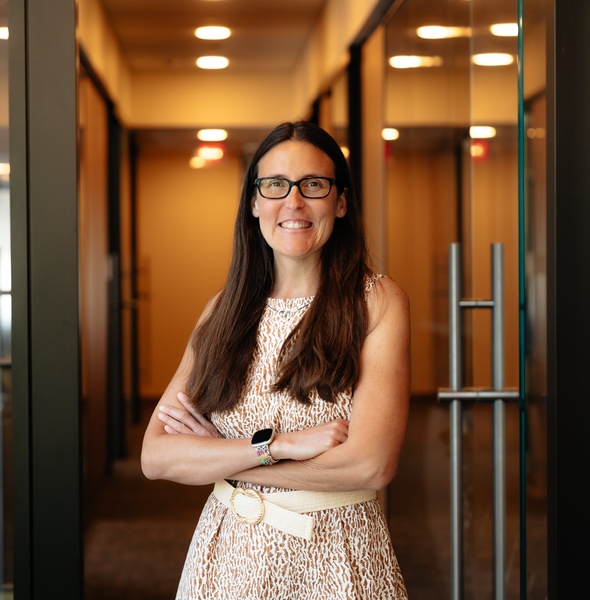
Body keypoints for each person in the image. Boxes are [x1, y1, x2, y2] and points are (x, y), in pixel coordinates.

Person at [141, 120, 410, 599]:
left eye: (313, 185)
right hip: (226, 560)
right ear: (254, 203)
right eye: (275, 185)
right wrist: (278, 445)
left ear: (341, 201)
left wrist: (224, 463)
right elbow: (156, 456)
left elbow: (370, 464)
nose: (294, 202)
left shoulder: (377, 302)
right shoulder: (223, 310)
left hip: (336, 561)